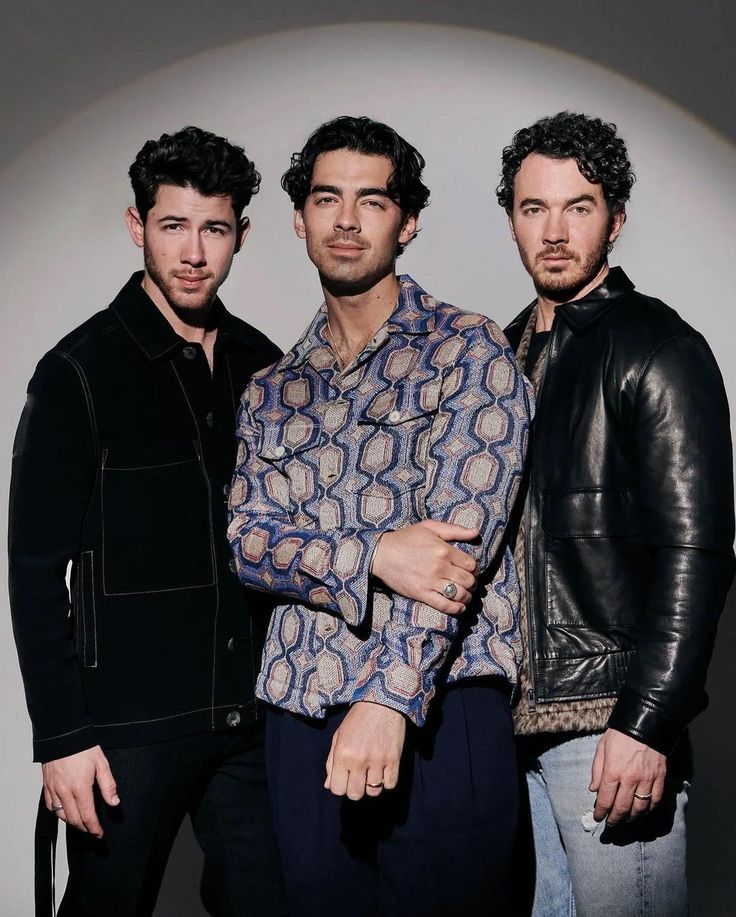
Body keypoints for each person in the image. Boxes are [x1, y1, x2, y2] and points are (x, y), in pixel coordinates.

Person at [227, 114, 533, 917]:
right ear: (299, 219)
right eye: (327, 198)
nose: (347, 220)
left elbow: (455, 552)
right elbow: (250, 541)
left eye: (373, 199)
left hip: (442, 709)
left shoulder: (469, 350)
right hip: (299, 713)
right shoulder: (271, 388)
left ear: (409, 220)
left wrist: (389, 697)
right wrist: (370, 554)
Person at [9, 126, 285, 917]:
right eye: (173, 226)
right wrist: (60, 737)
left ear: (240, 234)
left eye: (214, 228)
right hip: (125, 730)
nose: (194, 251)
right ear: (138, 227)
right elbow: (33, 571)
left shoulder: (262, 368)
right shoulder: (77, 373)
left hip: (250, 721)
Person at [498, 111, 735, 917]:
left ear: (617, 219)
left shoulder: (658, 347)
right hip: (507, 732)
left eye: (580, 206)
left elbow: (696, 551)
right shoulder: (499, 356)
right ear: (512, 218)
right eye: (535, 208)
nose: (555, 231)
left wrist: (646, 721)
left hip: (609, 730)